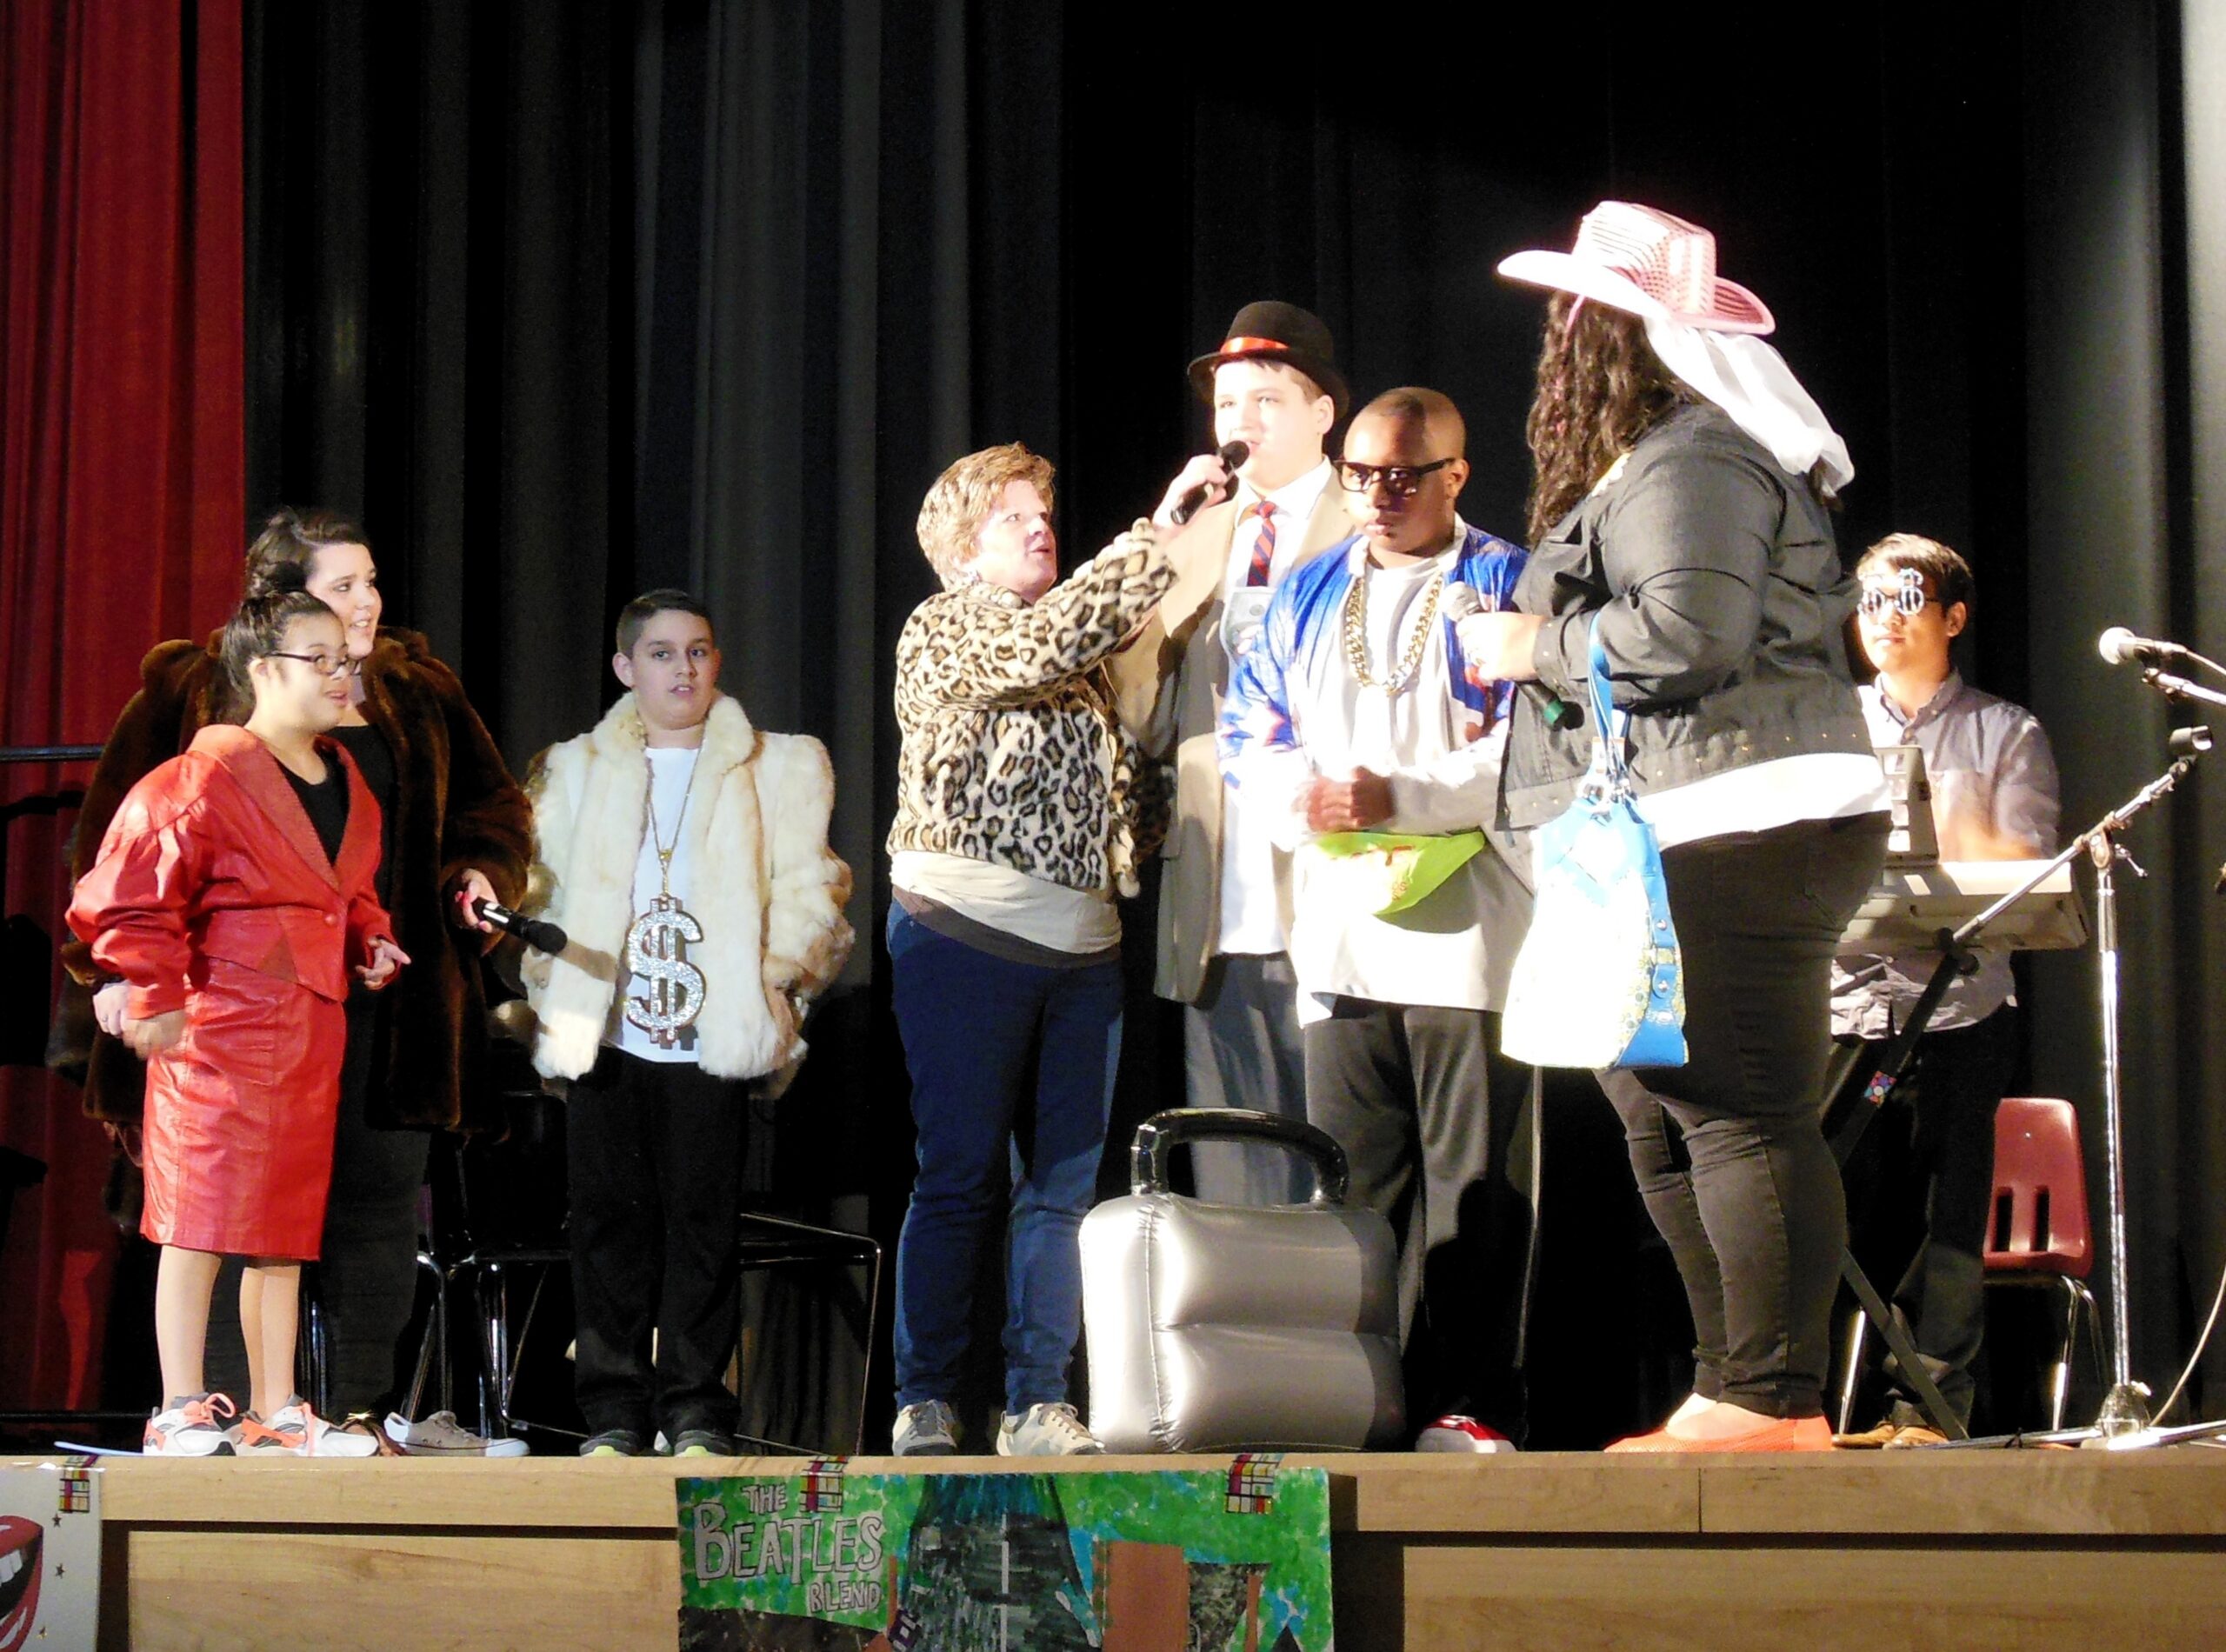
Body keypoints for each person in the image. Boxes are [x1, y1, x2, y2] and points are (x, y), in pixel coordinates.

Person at [1475, 202, 1891, 1452]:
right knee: (1661, 1116)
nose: (1555, 340)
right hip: (1680, 824)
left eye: (1572, 316)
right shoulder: (1664, 458)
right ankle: (1734, 1383)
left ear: (1611, 335)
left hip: (1740, 824)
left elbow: (1687, 634)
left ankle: (1774, 1396)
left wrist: (1530, 645)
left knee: (1736, 1107)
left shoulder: (1693, 459)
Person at [60, 507, 531, 1452]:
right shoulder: (197, 729)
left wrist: (402, 921)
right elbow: (123, 872)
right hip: (222, 1023)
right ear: (276, 629)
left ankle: (304, 1410)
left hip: (350, 1027)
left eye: (371, 582)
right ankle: (197, 1405)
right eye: (341, 586)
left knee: (316, 1219)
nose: (367, 605)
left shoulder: (388, 723)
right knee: (209, 1218)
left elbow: (381, 867)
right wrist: (134, 988)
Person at [1218, 387, 1535, 1452]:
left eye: (1404, 474)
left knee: (1473, 1185)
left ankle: (1469, 1400)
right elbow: (1248, 731)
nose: (1380, 494)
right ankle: (1364, 1400)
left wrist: (1398, 793)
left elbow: (1539, 745)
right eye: (1361, 475)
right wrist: (1301, 796)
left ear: (1457, 473)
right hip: (1344, 922)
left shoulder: (1510, 582)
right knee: (1354, 1186)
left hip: (1473, 929)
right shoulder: (1306, 588)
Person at [886, 443, 1210, 1457]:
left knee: (1064, 1191)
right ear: (960, 548)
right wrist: (1161, 535)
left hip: (1083, 953)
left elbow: (1126, 793)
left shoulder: (1086, 660)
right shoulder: (945, 626)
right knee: (959, 1177)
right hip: (964, 933)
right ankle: (927, 1397)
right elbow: (1042, 642)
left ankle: (1036, 1400)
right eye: (1011, 517)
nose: (1039, 528)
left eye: (1042, 513)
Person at [514, 590, 853, 1457]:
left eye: (698, 651)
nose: (683, 669)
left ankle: (697, 1407)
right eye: (661, 653)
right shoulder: (574, 769)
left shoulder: (777, 765)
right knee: (607, 1226)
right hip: (610, 1030)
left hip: (713, 1034)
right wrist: (551, 987)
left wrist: (777, 982)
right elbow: (540, 890)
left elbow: (813, 886)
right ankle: (613, 1411)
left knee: (704, 1226)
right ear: (626, 668)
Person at [68, 591, 408, 1455]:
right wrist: (152, 995)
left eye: (345, 659)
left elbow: (349, 893)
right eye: (318, 658)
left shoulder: (347, 780)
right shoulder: (202, 777)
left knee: (282, 1232)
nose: (340, 674)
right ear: (263, 670)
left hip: (309, 1037)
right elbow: (128, 895)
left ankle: (277, 1409)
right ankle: (179, 1405)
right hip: (220, 1032)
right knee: (200, 1222)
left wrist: (369, 940)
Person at [1109, 303, 1357, 1205]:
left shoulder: (1368, 519)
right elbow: (1136, 707)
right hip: (1220, 894)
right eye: (1225, 405)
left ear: (1321, 411)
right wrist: (1156, 547)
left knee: (1337, 1162)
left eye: (1264, 400)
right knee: (1231, 1168)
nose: (1239, 423)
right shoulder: (1198, 535)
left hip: (1333, 880)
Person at [1830, 535, 2059, 1447]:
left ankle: (1926, 1411)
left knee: (1946, 1220)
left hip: (1959, 1007)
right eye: (1868, 601)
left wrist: (1937, 828)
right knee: (1825, 1205)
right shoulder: (1824, 723)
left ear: (1952, 617)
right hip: (1842, 1004)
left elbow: (2026, 860)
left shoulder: (2004, 731)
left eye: (1904, 600)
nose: (1881, 619)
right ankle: (1810, 1408)